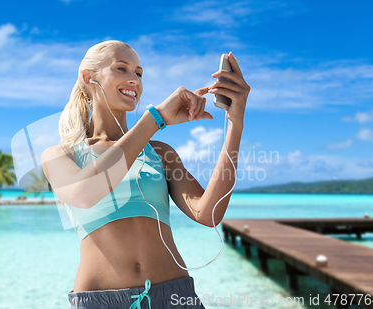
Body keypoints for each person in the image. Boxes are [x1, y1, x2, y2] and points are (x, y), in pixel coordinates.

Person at [42, 40, 250, 308]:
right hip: (99, 301)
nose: (134, 80)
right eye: (122, 69)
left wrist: (236, 122)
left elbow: (209, 213)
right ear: (88, 77)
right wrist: (155, 119)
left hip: (175, 296)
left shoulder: (160, 153)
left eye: (139, 73)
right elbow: (83, 194)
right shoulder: (62, 155)